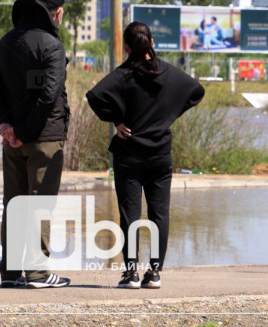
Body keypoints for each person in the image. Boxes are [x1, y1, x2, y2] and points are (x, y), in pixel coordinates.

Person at [85, 22, 205, 289]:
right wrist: (168, 116)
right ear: (151, 43)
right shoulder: (171, 74)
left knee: (130, 215)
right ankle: (155, 274)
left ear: (127, 47)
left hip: (129, 154)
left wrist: (116, 120)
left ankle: (132, 274)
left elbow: (93, 96)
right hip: (160, 154)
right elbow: (197, 91)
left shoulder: (122, 75)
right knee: (159, 214)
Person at [0, 0, 72, 289]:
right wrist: (22, 131)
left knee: (13, 204)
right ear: (58, 13)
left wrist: (5, 126)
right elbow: (48, 96)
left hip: (12, 142)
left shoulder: (5, 42)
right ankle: (37, 273)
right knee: (39, 204)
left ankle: (10, 273)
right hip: (44, 139)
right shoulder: (52, 46)